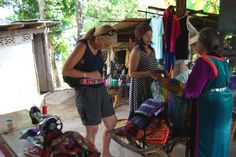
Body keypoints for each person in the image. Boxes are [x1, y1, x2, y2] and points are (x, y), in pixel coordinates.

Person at [62, 25, 117, 157]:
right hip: (86, 92)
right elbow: (66, 71)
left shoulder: (98, 48)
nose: (107, 46)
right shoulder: (83, 46)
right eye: (105, 43)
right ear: (97, 38)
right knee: (92, 129)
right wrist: (88, 75)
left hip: (100, 89)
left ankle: (105, 153)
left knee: (111, 123)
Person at [183, 27, 234, 157]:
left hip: (210, 107)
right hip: (226, 103)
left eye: (197, 43)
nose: (195, 46)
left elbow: (192, 90)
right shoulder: (222, 61)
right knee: (220, 139)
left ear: (202, 43)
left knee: (206, 141)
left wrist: (183, 91)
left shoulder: (203, 61)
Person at [128, 22, 159, 119]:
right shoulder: (136, 51)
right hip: (140, 89)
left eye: (151, 35)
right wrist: (149, 73)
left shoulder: (152, 50)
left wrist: (160, 72)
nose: (150, 38)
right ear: (140, 36)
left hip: (151, 88)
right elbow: (131, 73)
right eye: (147, 36)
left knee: (150, 116)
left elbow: (153, 67)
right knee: (140, 117)